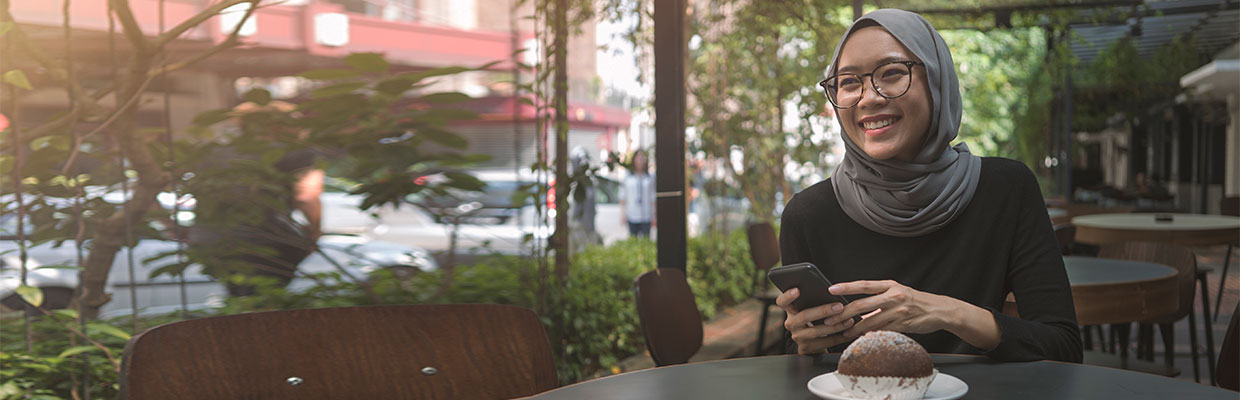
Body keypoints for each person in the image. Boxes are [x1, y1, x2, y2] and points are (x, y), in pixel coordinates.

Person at [775, 9, 1082, 363]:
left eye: (891, 74)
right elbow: (800, 367)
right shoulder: (809, 214)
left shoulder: (1006, 190)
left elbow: (1063, 348)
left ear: (937, 81)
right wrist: (803, 344)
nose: (868, 97)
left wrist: (946, 312)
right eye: (847, 82)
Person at [185, 101, 323, 297]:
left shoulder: (212, 152)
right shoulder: (295, 153)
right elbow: (306, 196)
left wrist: (177, 228)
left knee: (240, 297)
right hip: (268, 238)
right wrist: (314, 232)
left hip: (210, 239)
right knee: (266, 299)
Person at [620, 149, 655, 238]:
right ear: (634, 159)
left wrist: (654, 216)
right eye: (638, 157)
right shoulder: (628, 176)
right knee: (633, 240)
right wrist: (623, 214)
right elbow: (623, 196)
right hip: (632, 214)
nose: (640, 160)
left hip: (646, 215)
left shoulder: (649, 177)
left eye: (642, 157)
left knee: (646, 241)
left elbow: (653, 197)